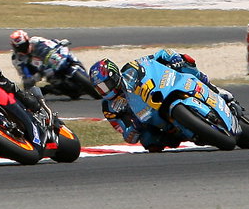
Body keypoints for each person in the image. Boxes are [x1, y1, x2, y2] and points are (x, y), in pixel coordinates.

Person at [91, 49, 239, 150]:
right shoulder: (109, 108)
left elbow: (158, 56)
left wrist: (173, 58)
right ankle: (187, 133)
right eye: (100, 89)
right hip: (151, 120)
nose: (105, 91)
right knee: (148, 141)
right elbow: (127, 137)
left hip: (162, 90)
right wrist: (134, 127)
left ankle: (215, 90)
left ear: (114, 76)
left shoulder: (131, 68)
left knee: (186, 61)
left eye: (105, 85)